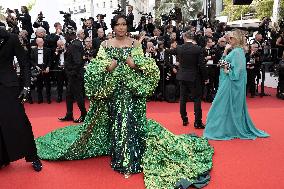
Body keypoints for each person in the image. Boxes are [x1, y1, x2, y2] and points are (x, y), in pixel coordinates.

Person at [35, 15, 214, 189]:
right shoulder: (104, 44)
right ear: (113, 27)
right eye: (118, 24)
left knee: (128, 120)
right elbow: (94, 68)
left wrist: (134, 64)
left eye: (124, 24)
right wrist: (107, 66)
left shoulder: (136, 44)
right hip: (111, 91)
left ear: (127, 26)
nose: (121, 27)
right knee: (116, 120)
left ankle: (126, 157)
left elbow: (147, 65)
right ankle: (122, 154)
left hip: (131, 90)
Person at [203, 29, 270, 140]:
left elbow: (237, 72)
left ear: (237, 39)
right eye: (230, 38)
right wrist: (225, 52)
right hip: (228, 83)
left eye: (232, 38)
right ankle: (223, 128)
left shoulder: (238, 52)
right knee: (222, 106)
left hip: (231, 85)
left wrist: (227, 69)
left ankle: (225, 129)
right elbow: (221, 63)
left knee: (222, 106)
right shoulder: (234, 51)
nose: (229, 40)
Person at [0, 25, 42, 171]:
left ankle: (33, 156)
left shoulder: (11, 38)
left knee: (20, 121)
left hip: (9, 86)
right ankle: (3, 158)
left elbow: (24, 63)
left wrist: (26, 87)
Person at [165, 31, 208, 128]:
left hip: (182, 76)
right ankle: (197, 122)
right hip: (194, 77)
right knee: (197, 99)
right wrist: (205, 77)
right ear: (193, 38)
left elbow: (167, 51)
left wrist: (170, 65)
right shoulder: (198, 49)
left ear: (184, 38)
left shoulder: (179, 48)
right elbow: (202, 65)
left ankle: (184, 119)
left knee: (183, 98)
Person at [58, 29, 87, 123]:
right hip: (74, 75)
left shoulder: (75, 45)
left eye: (66, 35)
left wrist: (71, 72)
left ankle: (84, 114)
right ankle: (69, 114)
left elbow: (78, 61)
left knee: (78, 96)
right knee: (69, 95)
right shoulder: (75, 43)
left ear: (70, 35)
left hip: (75, 75)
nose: (65, 37)